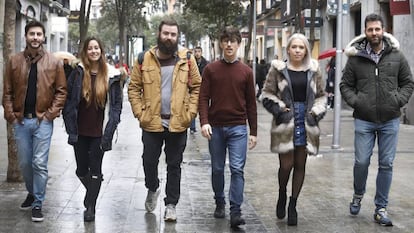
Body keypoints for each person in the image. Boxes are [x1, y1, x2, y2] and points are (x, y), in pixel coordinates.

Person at [340, 13, 414, 226]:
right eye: (370, 29)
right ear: (365, 31)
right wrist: (358, 102)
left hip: (390, 119)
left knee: (386, 164)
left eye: (377, 29)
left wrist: (397, 101)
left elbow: (408, 82)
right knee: (361, 161)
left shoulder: (397, 56)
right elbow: (345, 85)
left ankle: (381, 207)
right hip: (364, 119)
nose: (374, 33)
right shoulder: (355, 58)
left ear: (383, 31)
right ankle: (358, 194)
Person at [128, 17, 201, 222]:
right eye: (165, 33)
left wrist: (190, 113)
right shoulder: (144, 58)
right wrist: (139, 113)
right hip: (151, 122)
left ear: (177, 37)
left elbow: (196, 86)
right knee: (148, 161)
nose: (169, 37)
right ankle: (152, 187)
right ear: (159, 34)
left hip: (178, 123)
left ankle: (171, 204)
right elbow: (133, 88)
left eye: (173, 34)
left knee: (174, 164)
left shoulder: (187, 59)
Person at [2, 20, 67, 222]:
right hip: (21, 121)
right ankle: (31, 191)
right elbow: (7, 92)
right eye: (32, 34)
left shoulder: (54, 62)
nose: (36, 38)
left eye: (39, 34)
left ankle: (38, 202)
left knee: (39, 163)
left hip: (42, 121)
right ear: (26, 36)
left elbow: (61, 91)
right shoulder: (14, 61)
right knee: (25, 163)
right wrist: (11, 115)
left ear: (44, 37)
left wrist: (49, 115)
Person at [261, 33, 327, 226]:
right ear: (288, 49)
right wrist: (279, 109)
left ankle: (293, 204)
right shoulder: (278, 69)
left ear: (306, 50)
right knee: (286, 165)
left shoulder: (314, 70)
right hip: (286, 121)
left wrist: (315, 112)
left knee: (300, 165)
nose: (298, 50)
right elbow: (267, 93)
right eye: (294, 47)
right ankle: (282, 192)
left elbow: (322, 96)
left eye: (301, 47)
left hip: (306, 121)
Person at [198, 26, 257, 229]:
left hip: (238, 128)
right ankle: (219, 201)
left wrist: (254, 132)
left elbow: (251, 103)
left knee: (237, 169)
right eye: (226, 40)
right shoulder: (211, 69)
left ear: (239, 44)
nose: (229, 44)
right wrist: (204, 121)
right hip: (215, 127)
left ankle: (235, 211)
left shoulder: (246, 72)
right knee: (217, 168)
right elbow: (203, 97)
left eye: (233, 41)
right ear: (221, 44)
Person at [62, 37, 124, 222]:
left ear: (102, 51)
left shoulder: (112, 75)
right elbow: (68, 100)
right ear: (85, 51)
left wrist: (110, 130)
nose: (94, 51)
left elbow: (116, 106)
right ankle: (93, 191)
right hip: (79, 131)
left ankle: (91, 206)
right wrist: (69, 123)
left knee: (96, 169)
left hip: (99, 132)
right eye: (90, 48)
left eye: (97, 48)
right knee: (81, 170)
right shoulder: (78, 72)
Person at [189, 46, 209, 134]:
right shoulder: (190, 62)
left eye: (199, 51)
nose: (197, 53)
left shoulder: (206, 63)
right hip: (192, 88)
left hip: (203, 88)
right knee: (193, 106)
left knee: (203, 106)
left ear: (201, 52)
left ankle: (205, 124)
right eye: (196, 51)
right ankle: (192, 127)